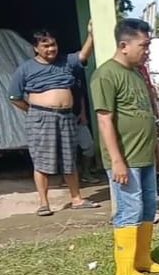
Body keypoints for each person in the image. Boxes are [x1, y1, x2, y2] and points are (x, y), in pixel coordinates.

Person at [90, 18, 159, 275]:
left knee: (148, 207)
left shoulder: (136, 73)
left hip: (145, 155)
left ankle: (143, 259)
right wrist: (117, 161)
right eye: (144, 45)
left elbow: (146, 115)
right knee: (129, 210)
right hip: (126, 159)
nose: (147, 51)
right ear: (124, 45)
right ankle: (125, 269)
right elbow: (104, 120)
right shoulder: (106, 75)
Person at [8, 25, 100, 216]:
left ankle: (76, 199)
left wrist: (91, 35)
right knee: (41, 161)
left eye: (53, 44)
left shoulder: (66, 61)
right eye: (46, 46)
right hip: (40, 118)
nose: (51, 49)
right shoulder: (26, 68)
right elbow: (14, 97)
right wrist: (34, 111)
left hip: (66, 117)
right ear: (36, 48)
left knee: (69, 159)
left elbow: (84, 55)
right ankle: (44, 203)